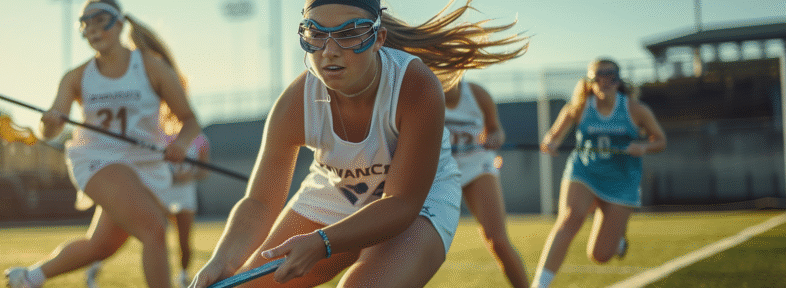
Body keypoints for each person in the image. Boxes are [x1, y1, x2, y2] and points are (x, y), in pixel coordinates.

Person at [189, 1, 525, 287]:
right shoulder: (294, 103)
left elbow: (402, 203)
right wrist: (223, 259)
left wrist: (323, 241)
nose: (330, 50)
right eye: (316, 34)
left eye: (350, 34)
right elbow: (260, 203)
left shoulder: (416, 86)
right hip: (337, 192)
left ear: (378, 38)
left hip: (419, 201)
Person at [4, 1, 202, 288]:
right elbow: (50, 129)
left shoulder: (149, 66)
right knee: (154, 229)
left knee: (100, 247)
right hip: (98, 160)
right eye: (85, 23)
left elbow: (190, 121)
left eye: (100, 20)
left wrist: (182, 145)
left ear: (119, 23)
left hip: (145, 165)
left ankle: (28, 278)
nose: (92, 28)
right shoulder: (76, 76)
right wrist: (49, 122)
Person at [531, 58, 667, 288]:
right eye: (598, 76)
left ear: (618, 79)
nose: (605, 80)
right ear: (590, 82)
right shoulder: (579, 107)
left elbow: (660, 141)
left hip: (621, 179)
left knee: (600, 255)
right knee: (569, 219)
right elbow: (551, 137)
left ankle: (618, 239)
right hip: (584, 172)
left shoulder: (636, 109)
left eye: (610, 75)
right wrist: (550, 144)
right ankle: (539, 285)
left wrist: (642, 147)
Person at [85, 104, 212, 288]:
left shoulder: (200, 140)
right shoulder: (157, 135)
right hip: (161, 189)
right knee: (143, 232)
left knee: (184, 241)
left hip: (185, 193)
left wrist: (190, 175)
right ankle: (94, 267)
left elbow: (204, 171)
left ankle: (183, 276)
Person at [444, 81, 529, 288]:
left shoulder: (477, 94)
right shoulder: (422, 90)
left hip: (477, 166)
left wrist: (494, 138)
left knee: (497, 240)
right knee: (417, 245)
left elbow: (496, 130)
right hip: (440, 171)